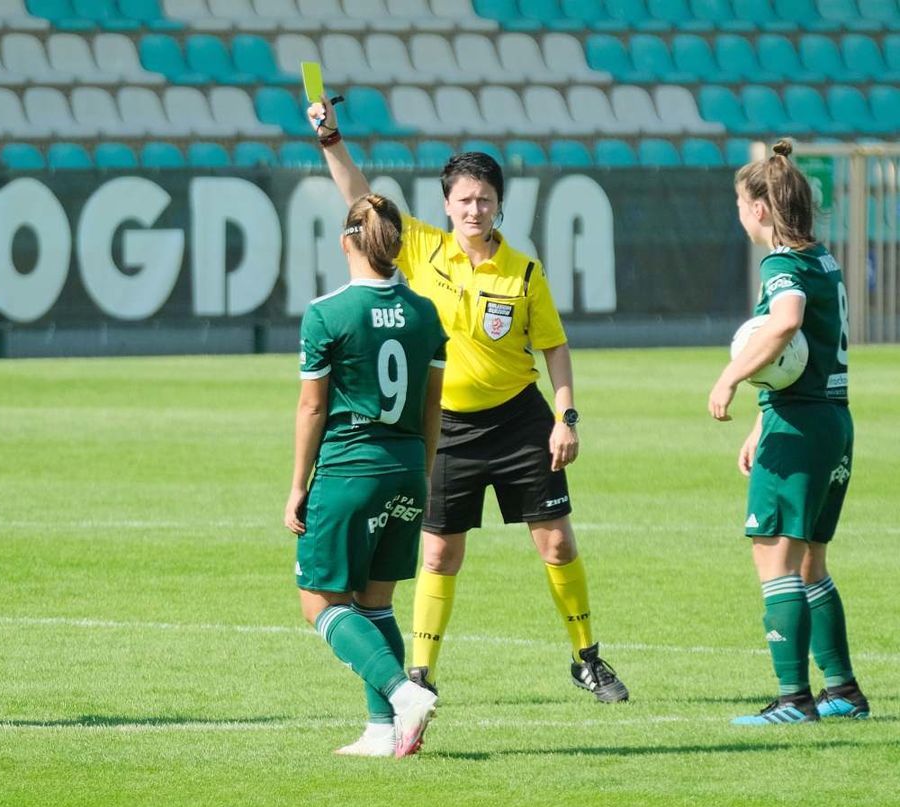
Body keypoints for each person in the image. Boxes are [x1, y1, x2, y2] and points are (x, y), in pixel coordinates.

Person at [305, 96, 629, 703]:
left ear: (500, 203)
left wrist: (566, 417)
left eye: (484, 198)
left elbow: (554, 348)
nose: (474, 209)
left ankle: (587, 658)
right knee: (439, 552)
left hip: (518, 420)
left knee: (556, 541)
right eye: (464, 199)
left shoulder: (524, 271)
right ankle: (421, 672)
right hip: (447, 426)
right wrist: (330, 141)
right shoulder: (423, 248)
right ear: (446, 205)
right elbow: (361, 197)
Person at [708, 139, 869, 725]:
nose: (739, 215)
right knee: (810, 564)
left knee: (773, 558)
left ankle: (794, 698)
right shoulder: (822, 258)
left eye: (740, 204)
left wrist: (729, 377)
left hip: (800, 430)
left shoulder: (781, 265)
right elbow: (805, 356)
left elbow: (788, 324)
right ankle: (844, 691)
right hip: (829, 420)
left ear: (761, 209)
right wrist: (760, 420)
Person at [285, 193, 447, 758]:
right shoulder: (426, 312)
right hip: (407, 467)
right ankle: (383, 730)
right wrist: (421, 474)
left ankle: (403, 694)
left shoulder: (327, 312)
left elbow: (310, 410)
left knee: (320, 601)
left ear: (347, 240)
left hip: (350, 466)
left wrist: (298, 486)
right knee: (376, 603)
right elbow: (433, 406)